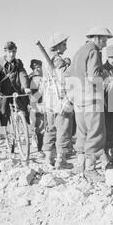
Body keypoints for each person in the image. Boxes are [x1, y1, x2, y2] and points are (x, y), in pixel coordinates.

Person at [70, 26, 113, 181]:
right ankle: (90, 169)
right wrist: (106, 77)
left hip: (78, 100)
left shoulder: (79, 51)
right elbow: (93, 77)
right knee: (96, 134)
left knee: (82, 133)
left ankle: (80, 165)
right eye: (105, 40)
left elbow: (69, 73)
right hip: (92, 99)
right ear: (97, 38)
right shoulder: (94, 51)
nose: (105, 44)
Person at [0, 41, 31, 150]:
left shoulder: (18, 63)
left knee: (24, 108)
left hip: (15, 91)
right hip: (1, 92)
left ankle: (22, 130)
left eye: (14, 52)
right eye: (10, 52)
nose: (12, 54)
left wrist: (25, 86)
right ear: (5, 52)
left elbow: (23, 74)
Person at [42, 32, 73, 169]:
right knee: (63, 129)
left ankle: (48, 158)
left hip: (49, 101)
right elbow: (64, 79)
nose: (66, 47)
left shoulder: (46, 60)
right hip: (60, 99)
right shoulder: (58, 61)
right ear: (57, 46)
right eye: (64, 44)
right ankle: (61, 160)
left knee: (51, 129)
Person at [28, 59, 45, 158]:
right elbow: (32, 95)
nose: (37, 69)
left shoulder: (45, 77)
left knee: (42, 127)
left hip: (45, 104)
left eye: (38, 67)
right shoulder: (32, 78)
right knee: (38, 127)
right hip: (36, 105)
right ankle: (40, 149)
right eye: (34, 68)